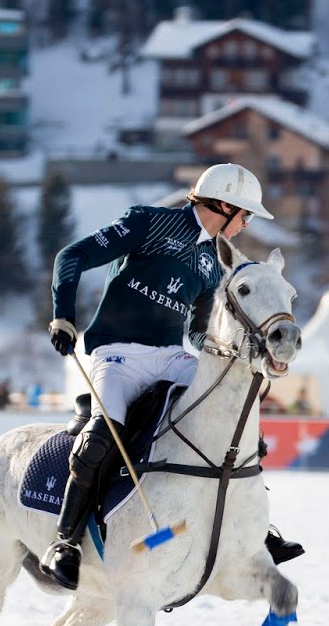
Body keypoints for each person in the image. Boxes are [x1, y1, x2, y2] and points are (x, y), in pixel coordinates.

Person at [39, 162, 302, 591]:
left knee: (230, 413)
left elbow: (197, 330)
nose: (246, 224)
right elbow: (73, 256)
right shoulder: (149, 222)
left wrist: (236, 353)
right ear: (224, 205)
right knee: (103, 436)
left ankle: (254, 529)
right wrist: (63, 317)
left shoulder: (212, 264)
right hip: (118, 353)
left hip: (169, 356)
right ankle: (65, 541)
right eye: (246, 214)